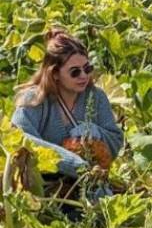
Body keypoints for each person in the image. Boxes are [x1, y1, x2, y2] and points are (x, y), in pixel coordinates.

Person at [11, 28, 124, 179]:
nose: (83, 76)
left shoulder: (96, 97)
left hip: (90, 182)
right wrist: (73, 163)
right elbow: (22, 138)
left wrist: (97, 132)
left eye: (87, 68)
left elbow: (116, 141)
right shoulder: (34, 99)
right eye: (75, 72)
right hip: (43, 187)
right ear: (55, 74)